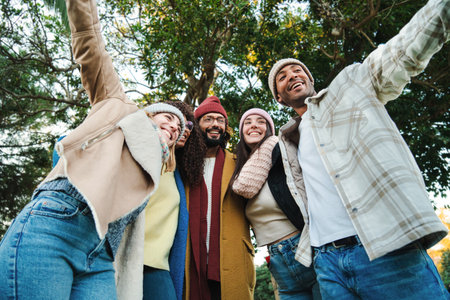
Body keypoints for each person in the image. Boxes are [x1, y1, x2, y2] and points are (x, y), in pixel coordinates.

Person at [0, 0, 185, 299]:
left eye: (179, 129)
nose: (175, 127)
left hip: (99, 254)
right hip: (57, 220)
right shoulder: (119, 107)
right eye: (169, 118)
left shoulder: (159, 167)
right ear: (149, 114)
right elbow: (91, 44)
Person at [267, 0, 449, 298]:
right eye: (283, 77)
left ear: (310, 79)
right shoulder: (288, 140)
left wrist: (442, 8)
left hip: (386, 249)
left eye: (298, 70)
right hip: (327, 263)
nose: (293, 76)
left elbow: (400, 53)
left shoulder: (350, 87)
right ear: (279, 97)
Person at [231, 108, 321, 300]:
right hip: (277, 259)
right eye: (248, 122)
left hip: (303, 247)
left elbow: (244, 187)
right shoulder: (243, 168)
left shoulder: (281, 153)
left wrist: (270, 143)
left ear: (269, 130)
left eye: (261, 121)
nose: (254, 124)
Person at [185, 96, 255, 300]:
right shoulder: (183, 166)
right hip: (190, 263)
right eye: (208, 119)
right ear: (197, 126)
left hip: (232, 259)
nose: (215, 124)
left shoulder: (240, 163)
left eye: (220, 120)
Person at [143, 101, 206, 300]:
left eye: (186, 127)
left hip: (157, 266)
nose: (178, 128)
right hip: (120, 258)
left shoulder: (175, 171)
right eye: (171, 118)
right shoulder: (130, 149)